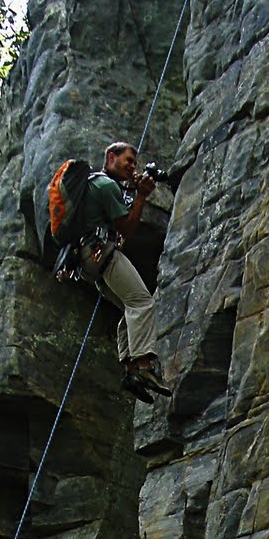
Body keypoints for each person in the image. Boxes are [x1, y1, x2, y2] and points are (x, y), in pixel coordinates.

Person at [78, 142, 171, 403]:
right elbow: (127, 230)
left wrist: (132, 189)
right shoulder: (106, 186)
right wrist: (141, 195)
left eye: (134, 162)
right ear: (111, 157)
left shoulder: (98, 185)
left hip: (88, 259)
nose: (132, 166)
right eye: (128, 160)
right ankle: (144, 367)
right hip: (103, 253)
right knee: (142, 302)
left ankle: (130, 372)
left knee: (130, 310)